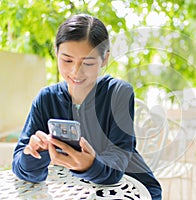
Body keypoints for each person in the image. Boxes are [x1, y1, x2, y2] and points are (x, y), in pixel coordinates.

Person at [12, 14, 162, 199]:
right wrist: (33, 155)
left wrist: (89, 165)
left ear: (104, 59)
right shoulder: (46, 99)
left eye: (88, 63)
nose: (76, 71)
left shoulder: (118, 93)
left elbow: (118, 160)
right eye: (67, 60)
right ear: (56, 53)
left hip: (132, 189)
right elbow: (22, 168)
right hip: (74, 190)